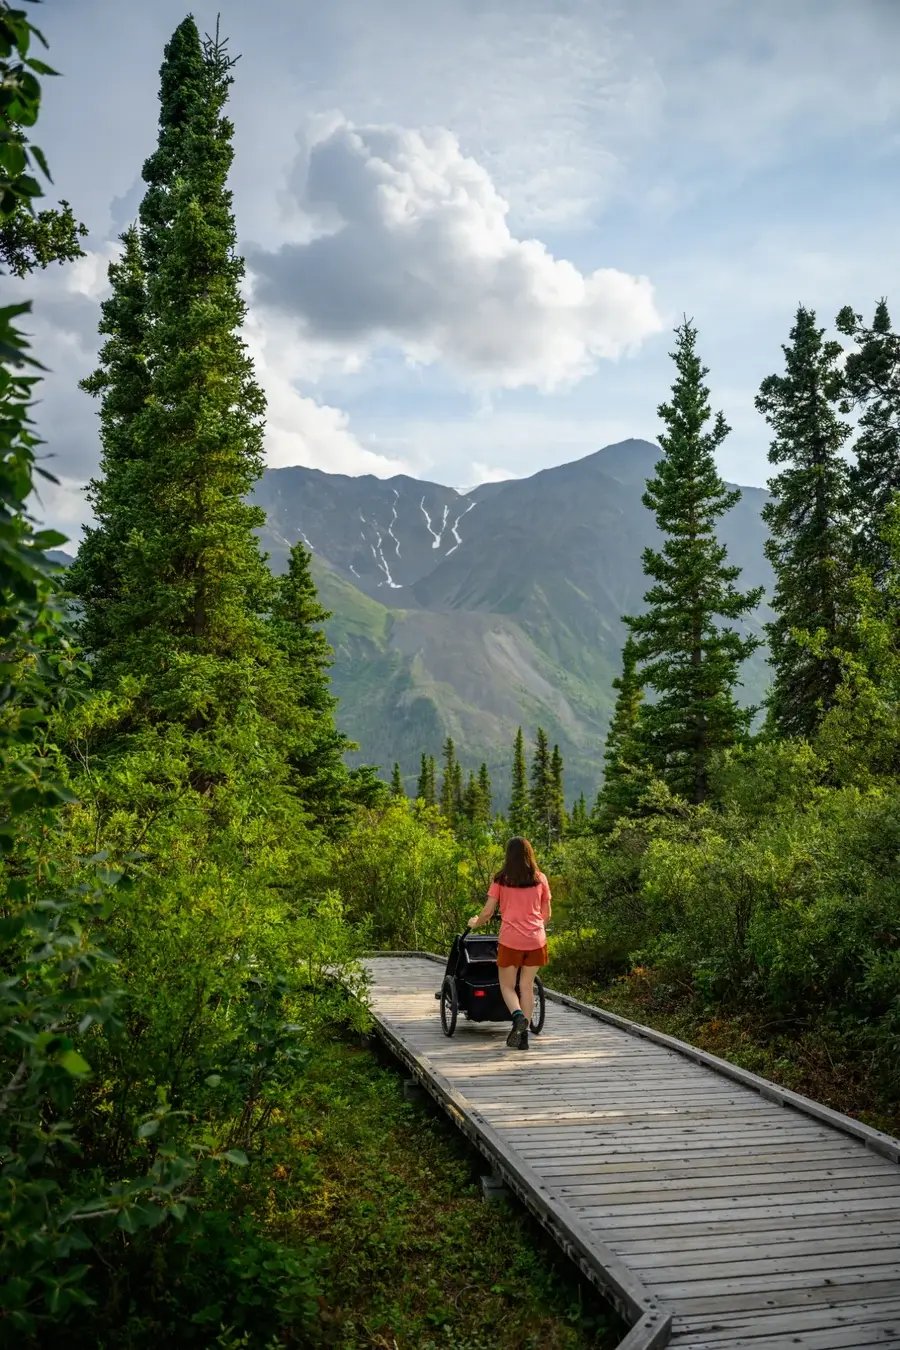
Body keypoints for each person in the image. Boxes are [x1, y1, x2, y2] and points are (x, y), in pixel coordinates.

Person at [467, 836, 551, 1051]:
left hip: (511, 940)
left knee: (506, 985)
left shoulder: (501, 879)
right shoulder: (540, 878)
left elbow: (487, 912)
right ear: (529, 854)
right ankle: (523, 1038)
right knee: (526, 986)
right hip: (536, 939)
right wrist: (533, 926)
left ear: (508, 856)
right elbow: (546, 914)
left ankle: (517, 1017)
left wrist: (475, 923)